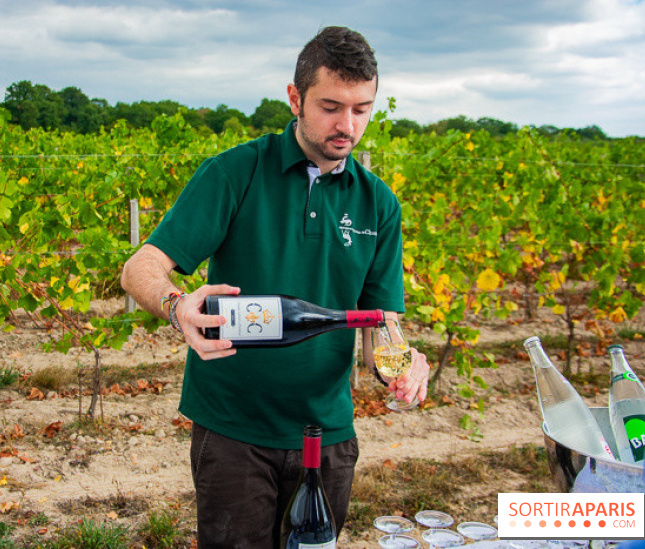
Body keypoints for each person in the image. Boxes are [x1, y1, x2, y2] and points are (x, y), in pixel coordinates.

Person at [121, 26, 431, 548]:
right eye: (331, 106)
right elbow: (141, 267)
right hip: (234, 432)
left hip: (328, 433)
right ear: (295, 98)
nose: (347, 125)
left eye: (361, 109)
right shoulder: (235, 173)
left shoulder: (380, 204)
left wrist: (399, 363)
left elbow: (381, 321)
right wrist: (177, 307)